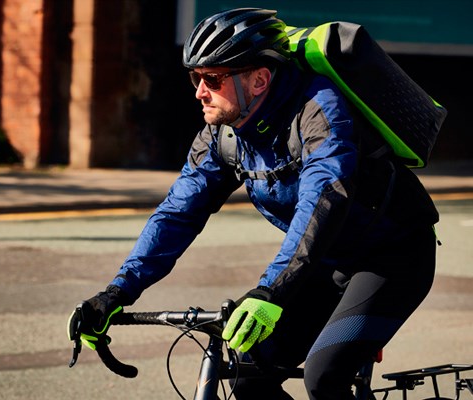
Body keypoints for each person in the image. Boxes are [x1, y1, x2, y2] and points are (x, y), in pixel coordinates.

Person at [68, 8, 439, 400]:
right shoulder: (222, 136)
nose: (199, 91)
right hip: (325, 262)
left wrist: (270, 293)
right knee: (248, 374)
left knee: (325, 377)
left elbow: (323, 200)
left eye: (212, 79)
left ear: (259, 80)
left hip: (392, 259)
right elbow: (176, 214)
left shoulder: (318, 111)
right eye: (196, 77)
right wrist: (117, 293)